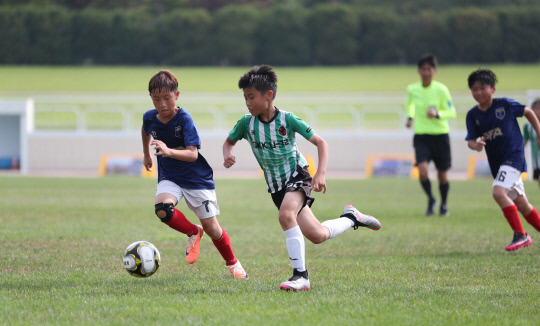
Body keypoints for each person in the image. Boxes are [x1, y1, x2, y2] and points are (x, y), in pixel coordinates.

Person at [222, 64, 381, 291]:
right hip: (277, 187)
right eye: (245, 98)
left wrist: (321, 173)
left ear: (269, 95)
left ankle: (300, 276)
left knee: (286, 215)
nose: (247, 103)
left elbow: (321, 143)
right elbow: (229, 141)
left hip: (298, 175)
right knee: (317, 235)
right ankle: (352, 218)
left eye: (251, 97)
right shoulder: (246, 123)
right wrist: (228, 154)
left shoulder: (288, 120)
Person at [142, 69, 248, 278]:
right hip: (170, 176)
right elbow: (145, 130)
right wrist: (146, 155)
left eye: (167, 98)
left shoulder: (184, 119)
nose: (162, 104)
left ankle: (233, 263)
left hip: (196, 179)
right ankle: (192, 232)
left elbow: (192, 155)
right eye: (156, 99)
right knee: (162, 209)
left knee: (213, 229)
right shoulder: (149, 118)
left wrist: (168, 151)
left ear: (177, 96)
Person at [466, 68, 540, 251]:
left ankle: (520, 235)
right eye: (474, 89)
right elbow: (470, 141)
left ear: (493, 89)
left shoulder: (505, 105)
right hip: (498, 164)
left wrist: (539, 132)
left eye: (482, 88)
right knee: (522, 204)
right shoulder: (473, 115)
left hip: (514, 157)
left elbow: (529, 112)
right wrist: (475, 145)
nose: (478, 92)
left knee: (498, 193)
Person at [406, 53, 456, 216]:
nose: (426, 72)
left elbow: (452, 111)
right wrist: (410, 117)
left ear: (434, 70)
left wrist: (438, 114)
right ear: (419, 71)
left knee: (442, 174)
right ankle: (430, 198)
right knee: (422, 170)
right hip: (421, 135)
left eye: (429, 69)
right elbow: (410, 105)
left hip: (440, 135)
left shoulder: (441, 90)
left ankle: (444, 204)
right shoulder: (412, 89)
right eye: (423, 69)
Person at [523, 99, 540, 189]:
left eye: (538, 109)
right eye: (534, 109)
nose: (536, 112)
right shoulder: (528, 126)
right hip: (536, 161)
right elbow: (524, 141)